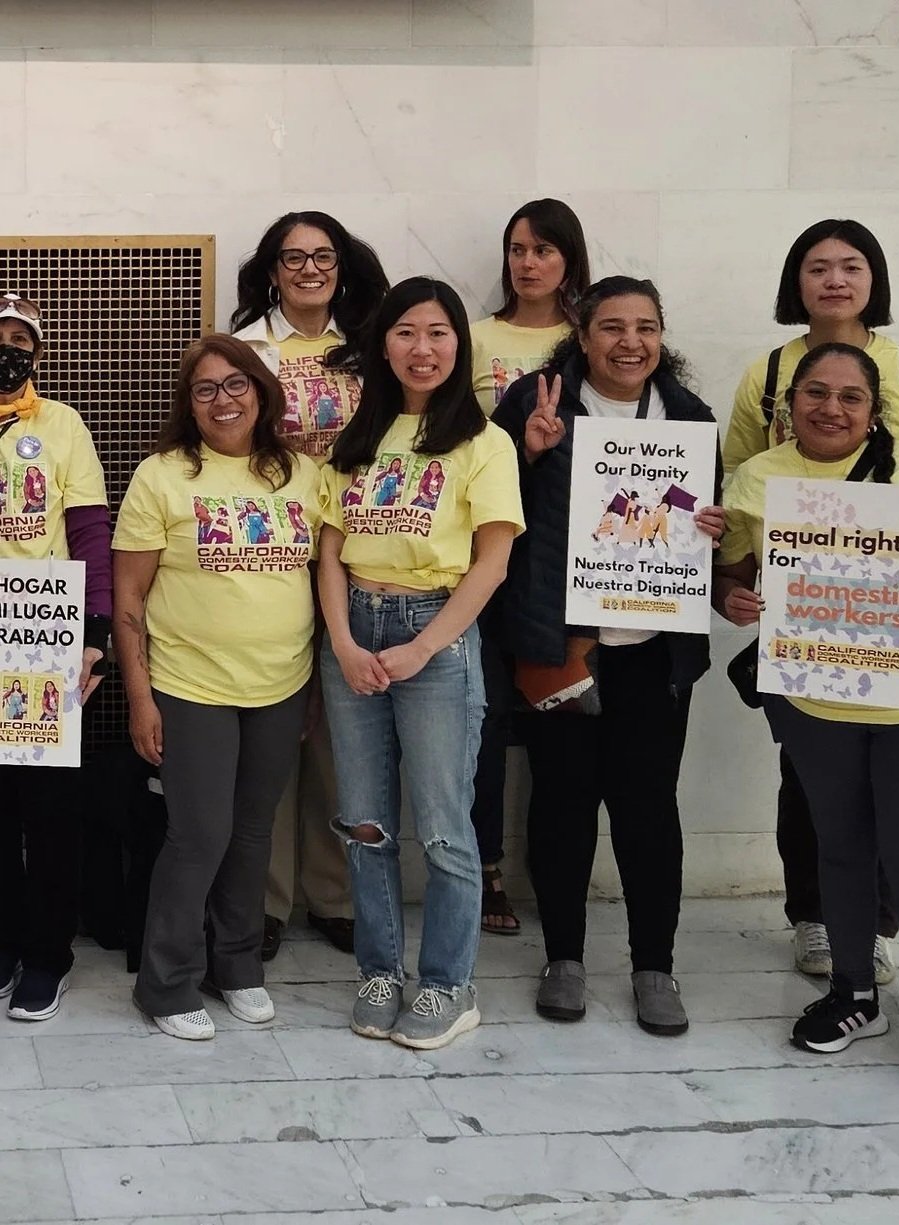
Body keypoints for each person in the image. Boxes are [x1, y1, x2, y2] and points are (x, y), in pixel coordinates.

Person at [715, 342, 899, 1092]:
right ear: (788, 406)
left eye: (850, 396)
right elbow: (733, 572)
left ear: (873, 410)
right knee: (839, 846)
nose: (830, 408)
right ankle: (853, 991)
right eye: (815, 392)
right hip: (815, 697)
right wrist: (733, 598)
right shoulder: (757, 478)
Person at [723, 219, 899, 984]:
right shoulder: (764, 373)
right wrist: (738, 580)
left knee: (898, 792)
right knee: (809, 778)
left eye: (850, 266)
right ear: (795, 281)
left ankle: (880, 921)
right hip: (805, 612)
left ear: (873, 279)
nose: (833, 280)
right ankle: (814, 918)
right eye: (816, 266)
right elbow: (740, 484)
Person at [493, 276, 724, 1036]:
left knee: (648, 810)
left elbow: (689, 515)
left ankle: (653, 965)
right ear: (582, 334)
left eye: (646, 327)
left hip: (654, 654)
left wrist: (709, 522)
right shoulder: (536, 402)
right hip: (561, 648)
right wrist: (527, 456)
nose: (631, 342)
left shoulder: (689, 417)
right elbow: (488, 510)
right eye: (614, 327)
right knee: (560, 806)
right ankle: (563, 957)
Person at [318, 277, 523, 1051]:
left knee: (443, 828)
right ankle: (380, 970)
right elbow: (330, 551)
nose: (422, 348)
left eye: (438, 332)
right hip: (354, 636)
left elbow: (491, 562)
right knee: (365, 824)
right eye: (406, 332)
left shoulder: (483, 443)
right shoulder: (357, 439)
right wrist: (342, 641)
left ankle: (447, 983)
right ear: (383, 345)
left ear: (458, 344)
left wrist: (421, 645)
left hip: (434, 635)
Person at [113, 334, 321, 1041]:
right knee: (199, 834)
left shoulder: (302, 473)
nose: (223, 398)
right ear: (189, 404)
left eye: (236, 383)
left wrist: (315, 689)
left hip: (281, 682)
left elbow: (324, 581)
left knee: (253, 832)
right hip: (188, 685)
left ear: (261, 390)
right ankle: (165, 982)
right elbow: (130, 598)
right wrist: (141, 697)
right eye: (205, 389)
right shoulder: (162, 476)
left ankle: (235, 967)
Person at [232, 211, 389, 960]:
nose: (307, 269)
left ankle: (332, 894)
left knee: (339, 736)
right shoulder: (247, 348)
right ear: (270, 270)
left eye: (321, 256)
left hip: (357, 550)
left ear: (341, 265)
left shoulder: (371, 347)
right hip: (271, 551)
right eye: (291, 258)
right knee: (272, 726)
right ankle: (264, 898)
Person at [469, 198, 592, 935]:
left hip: (569, 563)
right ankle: (486, 871)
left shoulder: (596, 337)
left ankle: (556, 874)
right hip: (490, 557)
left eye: (543, 249)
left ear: (569, 259)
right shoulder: (477, 339)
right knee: (482, 726)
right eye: (516, 248)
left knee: (563, 726)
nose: (528, 261)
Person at [0, 292, 111, 1023]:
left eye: (20, 340)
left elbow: (90, 528)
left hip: (39, 636)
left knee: (47, 809)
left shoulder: (61, 422)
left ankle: (47, 955)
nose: (8, 349)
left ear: (36, 354)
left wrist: (96, 630)